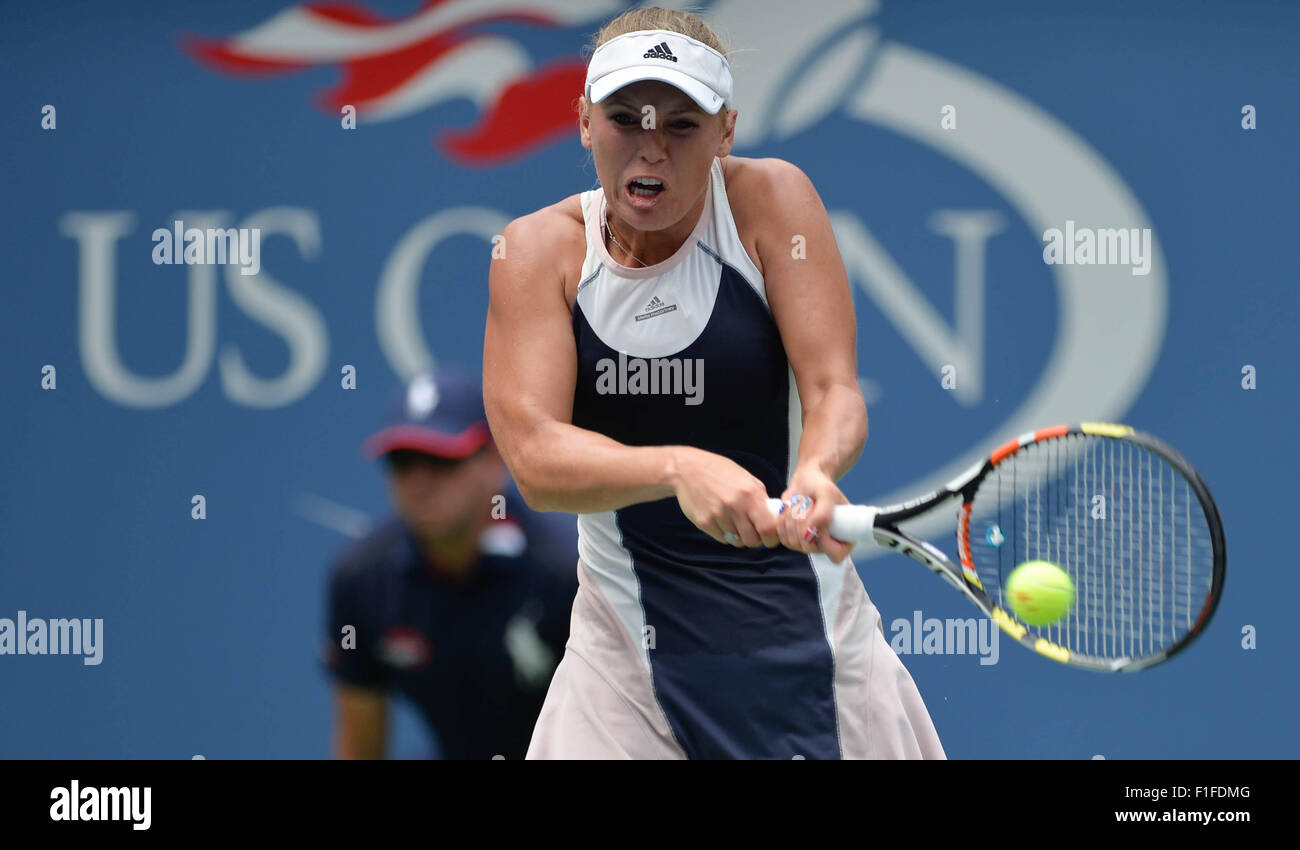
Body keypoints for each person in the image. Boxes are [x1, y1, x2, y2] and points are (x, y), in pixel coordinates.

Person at [483, 7, 945, 759]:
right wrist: (678, 467)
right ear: (584, 122)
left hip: (812, 655)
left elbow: (834, 392)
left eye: (683, 125)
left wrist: (817, 471)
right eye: (626, 118)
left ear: (726, 132)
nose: (651, 148)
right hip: (620, 670)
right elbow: (535, 460)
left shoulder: (772, 202)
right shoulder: (537, 252)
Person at [323, 368, 578, 759]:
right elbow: (360, 747)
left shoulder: (568, 573)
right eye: (403, 462)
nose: (420, 481)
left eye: (442, 459)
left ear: (495, 462)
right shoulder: (361, 580)